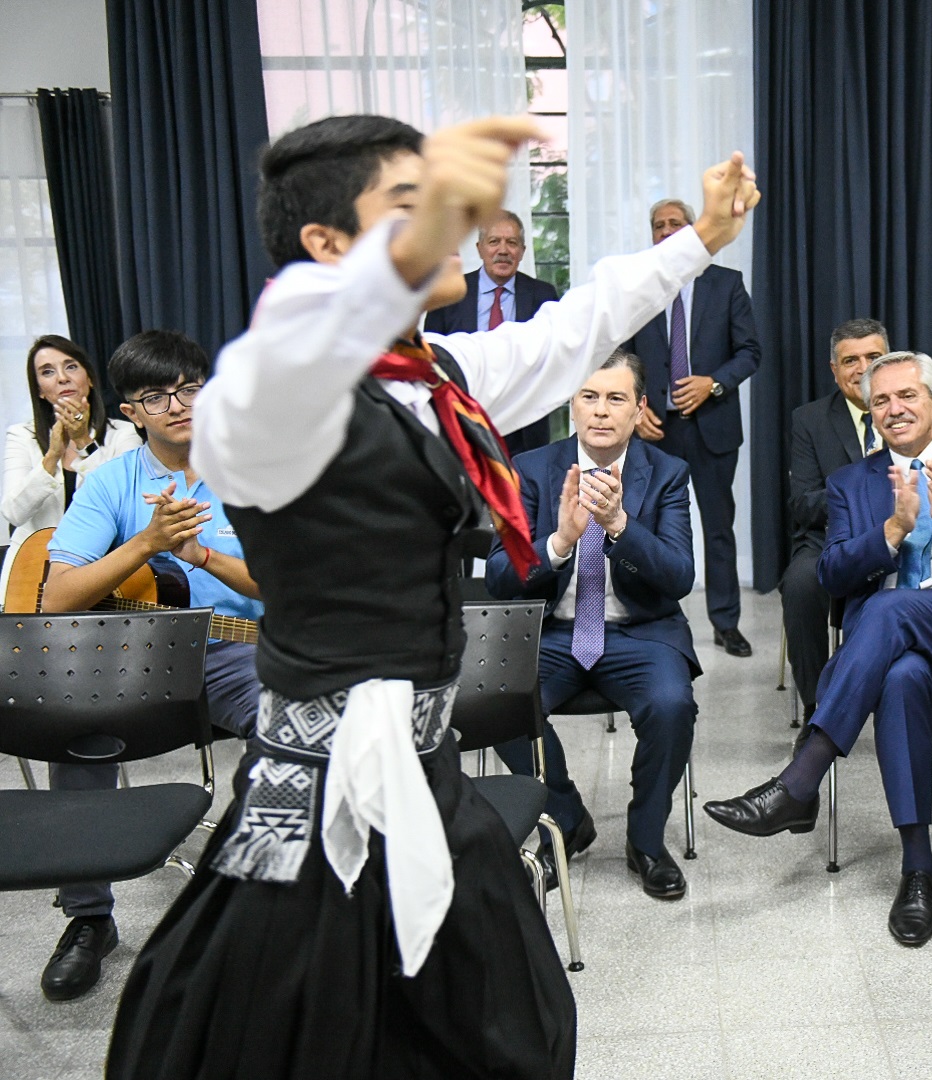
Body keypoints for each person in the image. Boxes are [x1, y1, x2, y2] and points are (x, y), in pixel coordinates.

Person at [103, 114, 757, 1079]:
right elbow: (266, 382)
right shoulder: (269, 390)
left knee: (499, 1032)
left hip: (426, 766)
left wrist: (697, 240)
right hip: (307, 789)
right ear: (329, 250)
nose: (454, 227)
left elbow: (574, 327)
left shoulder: (441, 375)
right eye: (411, 209)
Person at [703, 350, 932, 947]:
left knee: (886, 610)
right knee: (900, 677)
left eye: (907, 395)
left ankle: (801, 778)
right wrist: (890, 532)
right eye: (881, 400)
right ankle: (916, 870)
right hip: (892, 646)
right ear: (870, 411)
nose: (894, 408)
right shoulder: (851, 482)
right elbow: (830, 575)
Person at [35, 329, 263, 1004]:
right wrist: (147, 542)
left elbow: (285, 588)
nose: (177, 404)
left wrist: (200, 558)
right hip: (135, 657)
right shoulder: (112, 482)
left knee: (294, 727)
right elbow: (56, 596)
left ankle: (238, 900)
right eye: (155, 395)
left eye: (189, 388)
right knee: (71, 724)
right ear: (131, 410)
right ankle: (87, 919)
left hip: (235, 648)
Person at [485, 351, 700, 901]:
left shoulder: (668, 472)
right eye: (589, 396)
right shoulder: (531, 469)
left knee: (672, 705)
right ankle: (566, 817)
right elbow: (500, 577)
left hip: (639, 634)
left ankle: (646, 839)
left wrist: (619, 525)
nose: (601, 411)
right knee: (496, 700)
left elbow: (678, 576)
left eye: (616, 398)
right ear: (571, 405)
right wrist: (558, 542)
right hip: (552, 635)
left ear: (638, 410)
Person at [625, 198, 761, 657]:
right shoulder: (639, 289)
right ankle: (652, 620)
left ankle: (726, 624)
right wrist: (635, 408)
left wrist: (714, 384)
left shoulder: (726, 284)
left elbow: (749, 352)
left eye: (675, 224)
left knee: (718, 528)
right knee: (647, 529)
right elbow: (621, 359)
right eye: (658, 225)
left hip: (713, 429)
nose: (667, 231)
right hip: (655, 432)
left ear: (691, 230)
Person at [782, 318, 889, 721]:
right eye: (850, 360)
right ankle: (818, 710)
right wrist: (867, 494)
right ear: (834, 369)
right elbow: (804, 505)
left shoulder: (911, 406)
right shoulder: (809, 420)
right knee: (801, 583)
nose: (862, 369)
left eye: (873, 357)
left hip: (907, 538)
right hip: (829, 538)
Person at [423, 209, 561, 454]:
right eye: (494, 241)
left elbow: (553, 360)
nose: (503, 251)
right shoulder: (451, 292)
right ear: (479, 248)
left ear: (523, 251)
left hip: (524, 426)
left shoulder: (543, 295)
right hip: (462, 420)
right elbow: (431, 358)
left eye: (512, 243)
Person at [2, 335, 142, 552]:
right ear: (39, 390)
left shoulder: (124, 433)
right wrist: (52, 456)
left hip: (102, 561)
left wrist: (83, 441)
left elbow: (125, 506)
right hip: (31, 565)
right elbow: (13, 512)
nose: (62, 378)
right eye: (47, 372)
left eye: (71, 367)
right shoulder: (21, 435)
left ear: (90, 379)